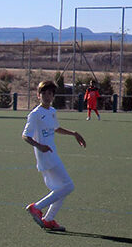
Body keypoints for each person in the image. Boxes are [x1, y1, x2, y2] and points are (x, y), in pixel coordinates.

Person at [22, 80, 87, 232]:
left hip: (52, 153)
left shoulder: (51, 111)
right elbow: (25, 136)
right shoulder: (35, 114)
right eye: (43, 93)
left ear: (53, 96)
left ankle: (49, 219)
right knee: (68, 186)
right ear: (38, 95)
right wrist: (39, 146)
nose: (46, 96)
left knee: (61, 189)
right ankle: (36, 207)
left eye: (49, 93)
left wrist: (73, 133)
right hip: (46, 156)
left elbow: (56, 128)